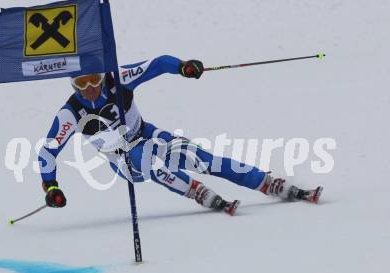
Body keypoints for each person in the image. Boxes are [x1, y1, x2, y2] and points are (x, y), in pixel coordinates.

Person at [38, 55, 322, 215]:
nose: (89, 88)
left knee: (202, 158)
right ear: (72, 84)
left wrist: (183, 67)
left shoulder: (119, 78)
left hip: (146, 132)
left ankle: (268, 183)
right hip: (121, 157)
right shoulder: (70, 113)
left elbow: (158, 64)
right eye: (81, 83)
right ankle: (196, 191)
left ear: (103, 76)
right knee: (145, 157)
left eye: (94, 80)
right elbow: (47, 152)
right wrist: (50, 186)